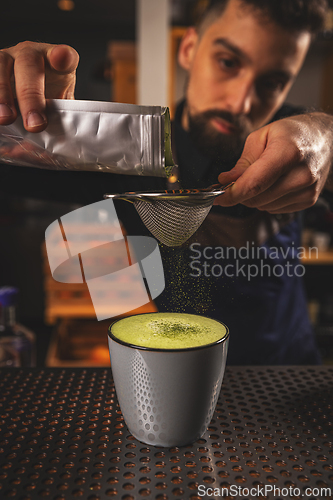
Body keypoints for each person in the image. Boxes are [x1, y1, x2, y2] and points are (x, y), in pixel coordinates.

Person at [0, 0, 332, 364]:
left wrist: (325, 133)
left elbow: (317, 136)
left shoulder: (291, 146)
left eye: (272, 83)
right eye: (228, 62)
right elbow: (112, 290)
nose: (241, 102)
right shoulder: (127, 155)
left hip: (293, 378)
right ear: (188, 49)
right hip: (180, 383)